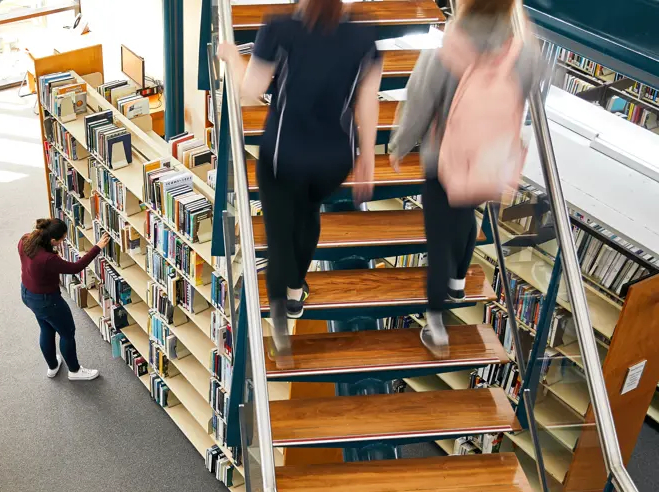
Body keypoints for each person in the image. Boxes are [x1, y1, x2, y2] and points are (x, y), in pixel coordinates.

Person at [218, 0, 383, 360]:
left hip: (284, 153)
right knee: (308, 214)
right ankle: (295, 293)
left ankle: (280, 317)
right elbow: (368, 101)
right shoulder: (363, 34)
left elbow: (249, 93)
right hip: (335, 159)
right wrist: (368, 156)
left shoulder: (279, 27)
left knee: (279, 231)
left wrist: (232, 56)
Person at [389, 0, 540, 357]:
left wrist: (399, 145)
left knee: (439, 236)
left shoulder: (449, 46)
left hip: (444, 160)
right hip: (487, 162)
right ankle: (457, 281)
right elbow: (544, 82)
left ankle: (436, 323)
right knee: (466, 215)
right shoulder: (521, 50)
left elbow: (420, 101)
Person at [19, 218, 110, 381]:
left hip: (28, 294)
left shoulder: (25, 240)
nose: (64, 241)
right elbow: (75, 268)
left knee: (46, 329)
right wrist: (97, 247)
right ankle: (74, 371)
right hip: (48, 301)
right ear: (52, 240)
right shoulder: (48, 259)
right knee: (67, 333)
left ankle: (53, 367)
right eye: (62, 239)